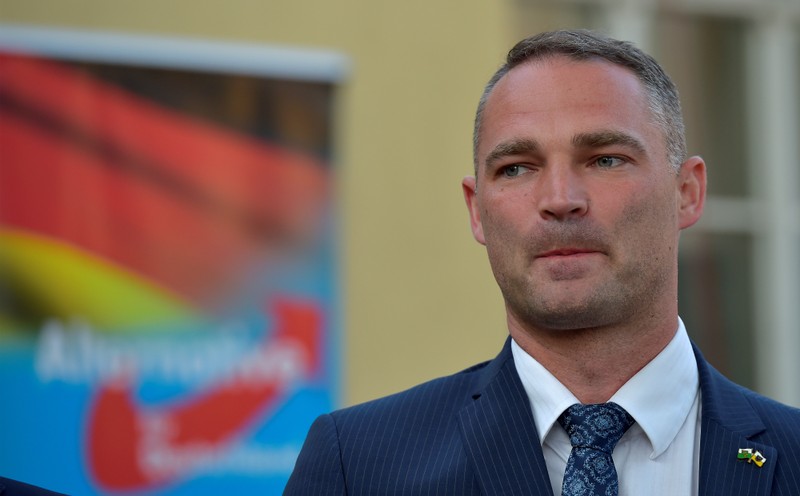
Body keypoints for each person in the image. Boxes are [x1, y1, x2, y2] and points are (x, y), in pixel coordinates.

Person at [284, 29, 800, 495]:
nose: (559, 198)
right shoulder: (358, 466)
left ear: (687, 192)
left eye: (605, 159)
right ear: (477, 210)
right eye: (516, 168)